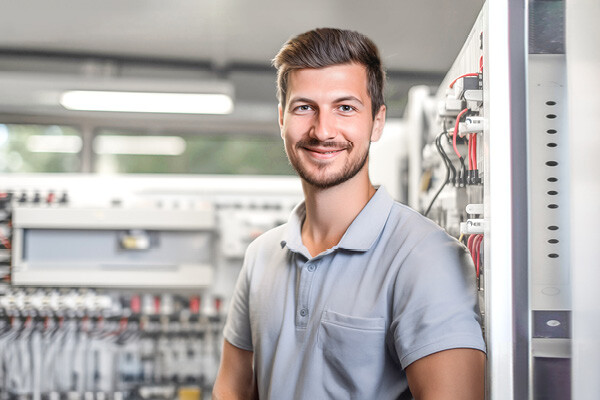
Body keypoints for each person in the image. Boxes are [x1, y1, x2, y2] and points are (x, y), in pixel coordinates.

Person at [212, 28, 486, 400]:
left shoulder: (424, 256)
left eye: (345, 108)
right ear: (282, 119)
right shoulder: (260, 256)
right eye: (304, 107)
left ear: (376, 122)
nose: (323, 130)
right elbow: (231, 388)